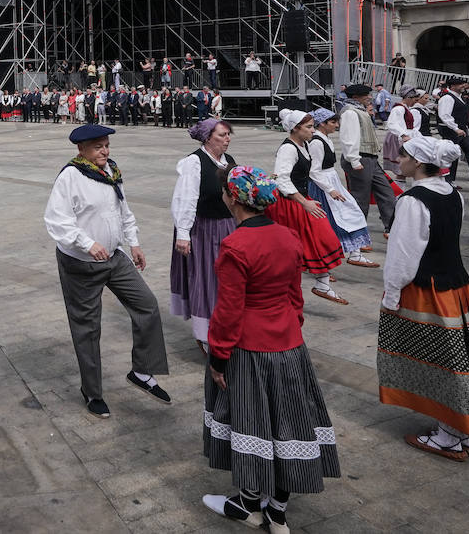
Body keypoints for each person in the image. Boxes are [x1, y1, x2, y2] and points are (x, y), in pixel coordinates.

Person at [201, 166, 340, 531]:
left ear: (233, 199)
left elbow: (229, 311)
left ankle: (248, 503)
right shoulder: (288, 236)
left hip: (250, 346)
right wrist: (291, 328)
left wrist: (218, 356)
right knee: (288, 421)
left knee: (253, 420)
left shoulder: (235, 246)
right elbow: (295, 296)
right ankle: (277, 509)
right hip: (289, 343)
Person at [379, 136, 469, 460]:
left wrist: (391, 295)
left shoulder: (412, 200)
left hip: (427, 291)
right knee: (459, 360)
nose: (399, 159)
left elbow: (404, 257)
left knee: (440, 363)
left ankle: (449, 434)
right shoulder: (452, 193)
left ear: (418, 163)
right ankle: (460, 429)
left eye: (404, 155)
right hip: (456, 288)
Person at [44, 123, 170, 418]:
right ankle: (92, 391)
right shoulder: (70, 176)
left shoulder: (111, 171)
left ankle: (142, 370)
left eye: (106, 145)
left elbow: (123, 210)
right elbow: (56, 220)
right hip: (81, 262)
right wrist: (87, 243)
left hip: (114, 256)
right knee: (87, 328)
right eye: (98, 146)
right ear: (81, 149)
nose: (105, 151)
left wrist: (134, 243)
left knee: (147, 306)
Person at [169, 118, 236, 351]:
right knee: (206, 279)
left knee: (226, 279)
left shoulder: (229, 162)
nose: (227, 139)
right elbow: (185, 198)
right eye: (222, 135)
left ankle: (226, 326)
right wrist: (184, 233)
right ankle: (206, 335)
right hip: (204, 229)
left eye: (228, 134)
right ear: (208, 138)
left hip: (227, 226)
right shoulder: (194, 162)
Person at [268, 110, 347, 304]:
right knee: (301, 245)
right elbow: (281, 179)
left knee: (320, 239)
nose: (313, 130)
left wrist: (329, 190)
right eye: (309, 127)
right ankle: (286, 288)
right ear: (295, 128)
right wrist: (303, 202)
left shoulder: (304, 145)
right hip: (289, 204)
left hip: (302, 200)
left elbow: (312, 172)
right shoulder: (288, 149)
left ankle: (321, 283)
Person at [308, 108, 377, 267]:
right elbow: (314, 170)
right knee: (331, 221)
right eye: (333, 122)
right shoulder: (317, 142)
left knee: (350, 213)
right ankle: (324, 262)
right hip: (323, 185)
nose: (337, 125)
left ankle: (355, 252)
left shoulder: (325, 139)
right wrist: (330, 189)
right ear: (322, 124)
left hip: (330, 180)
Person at [337, 84, 396, 237]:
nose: (370, 97)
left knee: (386, 192)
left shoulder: (359, 110)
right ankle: (357, 234)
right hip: (360, 157)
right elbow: (349, 138)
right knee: (360, 197)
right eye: (366, 95)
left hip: (369, 158)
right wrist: (354, 160)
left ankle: (391, 226)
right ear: (356, 97)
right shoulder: (350, 112)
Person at [435, 77, 469, 182]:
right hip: (451, 130)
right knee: (452, 154)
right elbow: (445, 115)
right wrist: (455, 128)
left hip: (461, 129)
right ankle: (449, 180)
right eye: (460, 84)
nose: (463, 86)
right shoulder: (447, 98)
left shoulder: (459, 97)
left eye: (463, 84)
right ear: (452, 86)